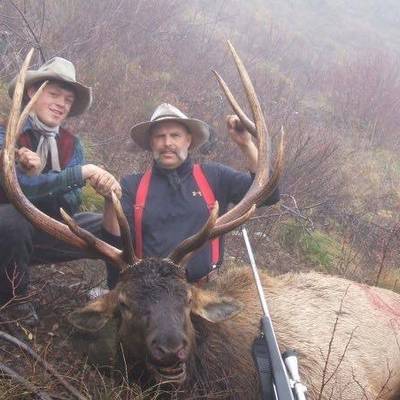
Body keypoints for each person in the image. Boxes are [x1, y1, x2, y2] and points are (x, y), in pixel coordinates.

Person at [102, 103, 279, 287]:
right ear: (151, 143)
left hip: (205, 292)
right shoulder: (132, 186)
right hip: (150, 293)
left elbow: (270, 194)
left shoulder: (215, 177)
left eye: (175, 135)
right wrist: (109, 201)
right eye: (160, 136)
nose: (167, 143)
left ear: (188, 140)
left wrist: (246, 144)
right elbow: (116, 243)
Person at [0, 56, 121, 325]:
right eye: (54, 94)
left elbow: (72, 202)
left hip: (46, 232)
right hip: (7, 234)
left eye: (67, 99)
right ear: (32, 92)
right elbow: (11, 186)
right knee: (12, 221)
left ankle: (119, 294)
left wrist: (46, 178)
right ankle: (14, 302)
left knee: (116, 225)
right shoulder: (5, 132)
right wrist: (75, 175)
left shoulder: (71, 144)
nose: (61, 104)